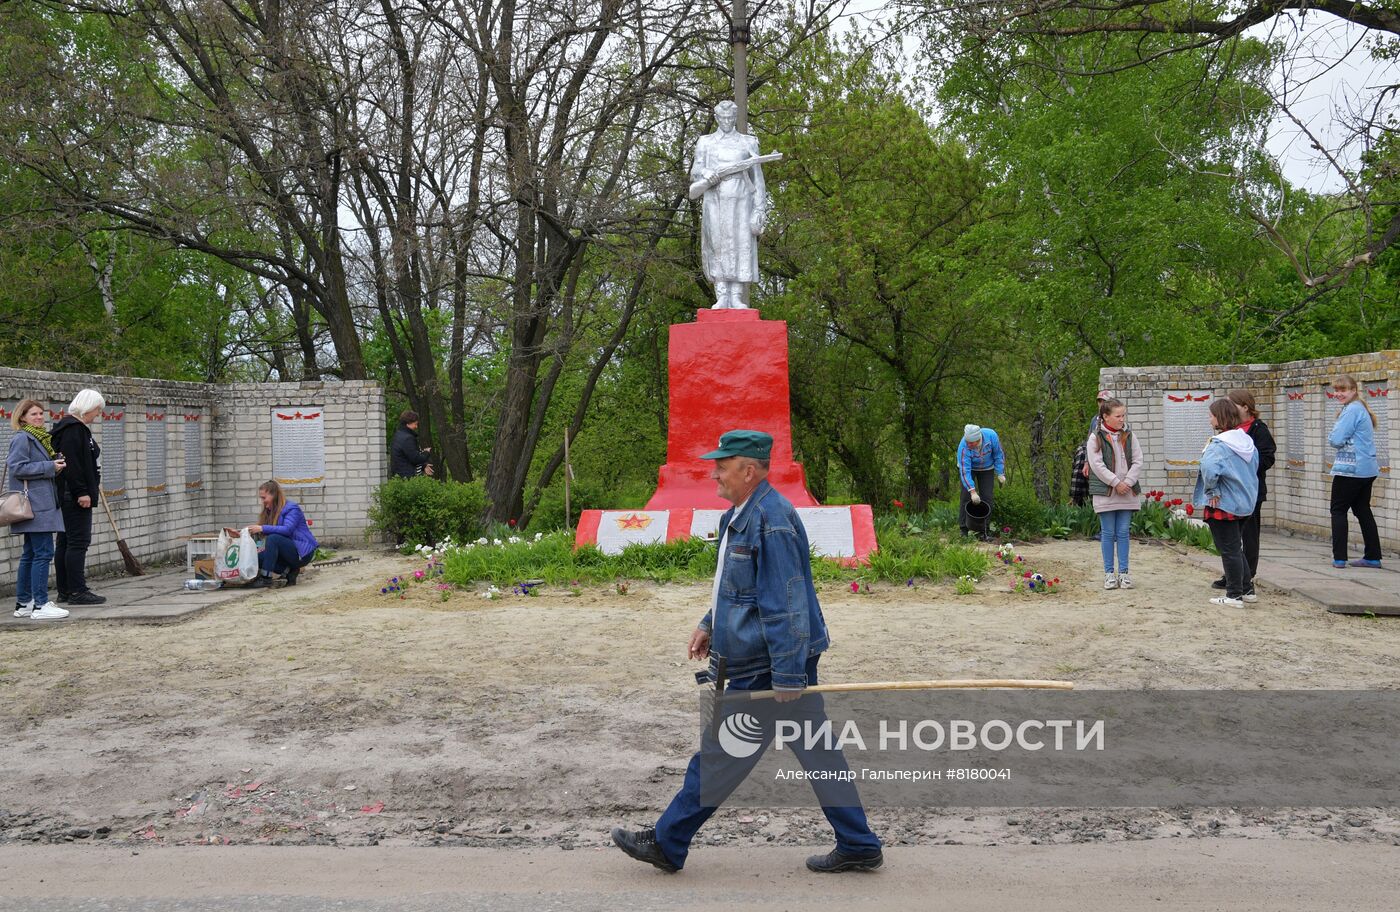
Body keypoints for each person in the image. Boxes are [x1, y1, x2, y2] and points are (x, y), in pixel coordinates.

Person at [611, 429, 883, 875]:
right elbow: (737, 589)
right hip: (774, 659)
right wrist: (709, 623)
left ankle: (667, 841)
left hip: (768, 664)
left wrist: (788, 677)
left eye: (723, 464)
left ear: (749, 471)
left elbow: (786, 605)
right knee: (818, 752)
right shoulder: (738, 515)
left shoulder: (772, 521)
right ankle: (858, 842)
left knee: (721, 755)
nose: (714, 471)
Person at [689, 100, 770, 309]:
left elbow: (758, 179)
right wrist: (707, 173)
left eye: (730, 118)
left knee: (740, 243)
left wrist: (759, 209)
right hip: (714, 199)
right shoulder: (705, 142)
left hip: (742, 199)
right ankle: (722, 293)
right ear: (716, 118)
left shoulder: (748, 142)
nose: (726, 122)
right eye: (722, 118)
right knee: (717, 244)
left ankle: (736, 295)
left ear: (735, 118)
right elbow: (696, 171)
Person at [1192, 399, 1259, 608]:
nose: (1209, 418)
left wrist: (1211, 490)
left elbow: (1209, 468)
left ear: (1219, 418)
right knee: (1235, 548)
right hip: (1245, 501)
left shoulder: (1219, 444)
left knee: (1229, 549)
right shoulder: (1246, 441)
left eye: (1211, 415)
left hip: (1223, 502)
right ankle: (1247, 589)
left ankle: (1234, 595)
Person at [7, 399, 69, 620]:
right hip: (35, 505)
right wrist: (49, 467)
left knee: (30, 554)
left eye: (42, 414)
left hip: (38, 504)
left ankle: (24, 603)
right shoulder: (23, 438)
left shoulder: (38, 438)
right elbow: (17, 467)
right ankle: (40, 605)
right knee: (43, 553)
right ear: (22, 417)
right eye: (34, 414)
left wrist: (55, 464)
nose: (40, 418)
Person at [1214, 390, 1275, 599]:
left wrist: (1244, 469)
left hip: (1251, 491)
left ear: (1245, 407)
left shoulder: (1259, 430)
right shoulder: (1230, 430)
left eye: (1233, 404)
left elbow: (1267, 457)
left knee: (1249, 536)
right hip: (1232, 492)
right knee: (1231, 539)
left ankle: (1246, 579)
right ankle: (1233, 576)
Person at [51, 389, 106, 605]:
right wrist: (82, 492)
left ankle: (65, 590)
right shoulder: (74, 430)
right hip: (73, 496)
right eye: (96, 410)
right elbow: (72, 465)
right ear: (87, 407)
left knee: (66, 541)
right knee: (77, 542)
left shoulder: (72, 428)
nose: (97, 415)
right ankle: (76, 590)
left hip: (69, 494)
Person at [1326, 374, 1382, 569]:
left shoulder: (1351, 411)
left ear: (1354, 391)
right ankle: (1373, 556)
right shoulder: (1359, 409)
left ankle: (1339, 558)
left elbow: (1335, 439)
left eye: (1343, 390)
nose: (1338, 394)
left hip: (1350, 470)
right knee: (1362, 509)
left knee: (1338, 510)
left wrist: (1332, 434)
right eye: (1336, 390)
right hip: (1367, 469)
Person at [1086, 398, 1142, 590]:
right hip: (1107, 492)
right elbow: (1096, 464)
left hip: (1127, 491)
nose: (1121, 419)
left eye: (1123, 415)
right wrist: (1115, 482)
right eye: (1118, 416)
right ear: (1105, 417)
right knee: (1108, 533)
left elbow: (1138, 460)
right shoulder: (1096, 437)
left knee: (1124, 533)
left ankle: (1124, 573)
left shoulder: (1129, 435)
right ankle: (1109, 574)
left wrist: (1127, 482)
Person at [227, 480, 318, 588]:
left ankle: (266, 578)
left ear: (274, 495)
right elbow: (260, 532)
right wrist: (241, 533)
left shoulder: (292, 508)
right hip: (286, 552)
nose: (262, 501)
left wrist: (262, 528)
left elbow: (287, 530)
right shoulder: (270, 510)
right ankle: (289, 573)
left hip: (301, 553)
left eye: (264, 498)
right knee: (255, 557)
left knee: (273, 538)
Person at [957, 424, 1005, 539]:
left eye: (971, 443)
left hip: (987, 468)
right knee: (966, 496)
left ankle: (984, 531)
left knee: (987, 497)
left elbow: (998, 454)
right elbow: (965, 471)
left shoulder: (991, 436)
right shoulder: (963, 446)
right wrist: (972, 491)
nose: (968, 444)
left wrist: (1000, 472)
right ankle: (963, 530)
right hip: (969, 469)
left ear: (978, 439)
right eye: (967, 442)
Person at [389, 410, 433, 478]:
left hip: (399, 475)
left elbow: (408, 457)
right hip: (407, 477)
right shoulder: (407, 439)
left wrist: (423, 466)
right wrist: (426, 452)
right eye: (415, 424)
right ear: (408, 423)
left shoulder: (398, 434)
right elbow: (415, 459)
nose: (416, 427)